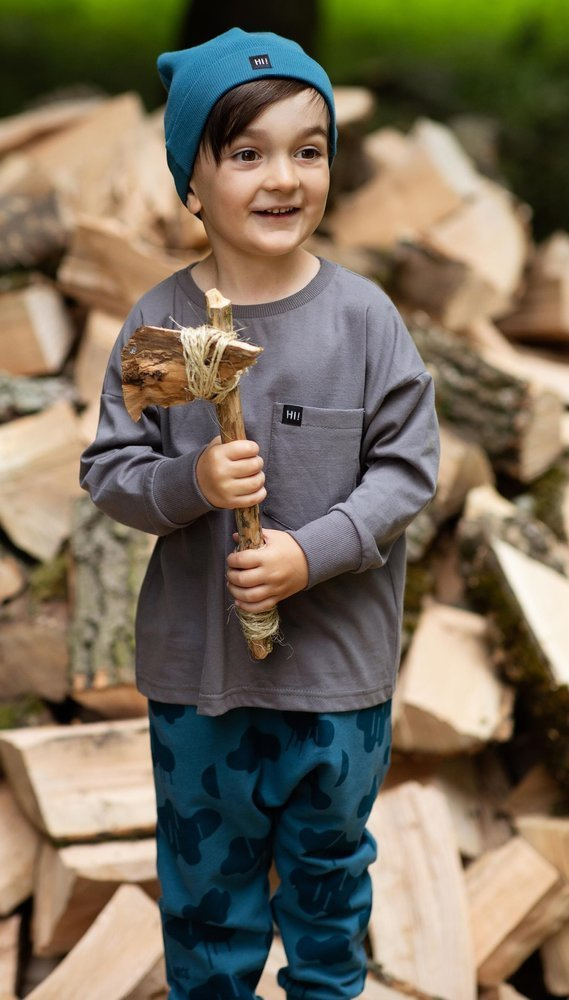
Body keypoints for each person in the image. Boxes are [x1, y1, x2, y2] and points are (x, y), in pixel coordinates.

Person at [80, 27, 440, 1000]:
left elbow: (408, 474)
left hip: (334, 686)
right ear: (190, 182)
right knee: (206, 903)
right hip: (200, 683)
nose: (283, 176)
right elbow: (109, 469)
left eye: (306, 148)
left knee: (327, 897)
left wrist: (305, 555)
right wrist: (189, 484)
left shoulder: (364, 322)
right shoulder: (163, 326)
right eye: (245, 152)